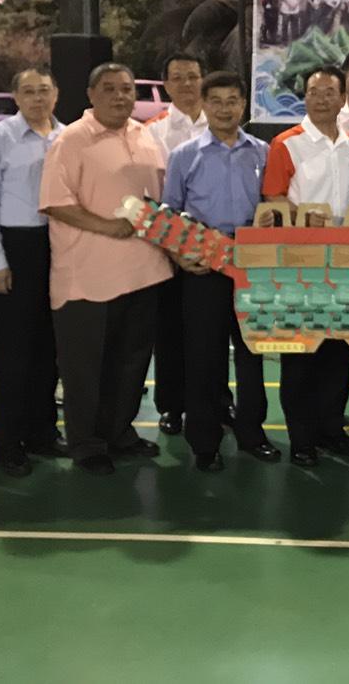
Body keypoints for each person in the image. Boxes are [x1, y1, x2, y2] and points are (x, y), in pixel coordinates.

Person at [40, 63, 173, 475]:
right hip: (88, 277)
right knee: (85, 368)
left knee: (131, 363)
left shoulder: (145, 135)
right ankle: (86, 443)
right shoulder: (72, 140)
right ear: (91, 94)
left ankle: (120, 431)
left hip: (146, 270)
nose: (120, 96)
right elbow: (54, 202)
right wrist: (106, 226)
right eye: (110, 89)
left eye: (127, 89)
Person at [162, 70, 280, 472]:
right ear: (204, 104)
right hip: (204, 267)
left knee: (252, 352)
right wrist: (181, 258)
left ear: (244, 104)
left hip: (251, 265)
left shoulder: (263, 153)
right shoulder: (184, 155)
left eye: (232, 100)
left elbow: (274, 206)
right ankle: (204, 442)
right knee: (203, 357)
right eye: (216, 101)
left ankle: (252, 433)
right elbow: (170, 213)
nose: (225, 109)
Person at [262, 64, 349, 466]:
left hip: (344, 266)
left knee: (338, 352)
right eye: (313, 91)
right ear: (304, 97)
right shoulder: (286, 144)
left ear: (342, 99)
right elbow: (272, 199)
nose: (321, 98)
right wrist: (303, 216)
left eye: (329, 92)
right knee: (301, 353)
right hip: (300, 265)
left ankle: (332, 429)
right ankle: (302, 438)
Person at [0, 67, 67, 477]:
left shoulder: (68, 137)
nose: (37, 99)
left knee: (50, 347)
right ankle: (8, 443)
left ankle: (43, 432)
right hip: (15, 248)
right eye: (28, 92)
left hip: (61, 247)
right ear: (15, 96)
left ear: (56, 94)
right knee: (12, 354)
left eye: (43, 91)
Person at [144, 51, 209, 437]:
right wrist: (173, 246)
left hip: (217, 243)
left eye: (194, 76)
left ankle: (216, 397)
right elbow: (153, 196)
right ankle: (170, 404)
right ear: (166, 85)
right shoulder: (152, 131)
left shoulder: (220, 124)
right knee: (170, 329)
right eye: (179, 77)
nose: (187, 84)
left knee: (213, 330)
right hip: (170, 247)